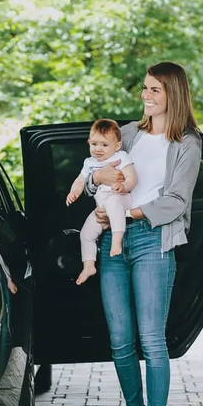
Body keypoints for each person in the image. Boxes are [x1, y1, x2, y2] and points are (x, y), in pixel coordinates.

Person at [85, 63, 201, 406]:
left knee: (152, 341)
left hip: (154, 239)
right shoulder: (129, 134)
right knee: (120, 341)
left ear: (173, 93)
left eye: (155, 89)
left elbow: (176, 202)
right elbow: (93, 172)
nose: (146, 96)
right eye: (145, 88)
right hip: (114, 241)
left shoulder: (187, 143)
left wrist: (130, 215)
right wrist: (99, 192)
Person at [66, 119, 138, 285]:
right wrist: (74, 192)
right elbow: (80, 181)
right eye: (94, 144)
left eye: (104, 145)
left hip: (120, 198)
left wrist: (124, 186)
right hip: (101, 206)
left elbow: (133, 177)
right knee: (86, 233)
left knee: (114, 205)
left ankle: (116, 240)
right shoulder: (89, 162)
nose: (98, 149)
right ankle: (89, 265)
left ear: (117, 146)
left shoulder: (121, 157)